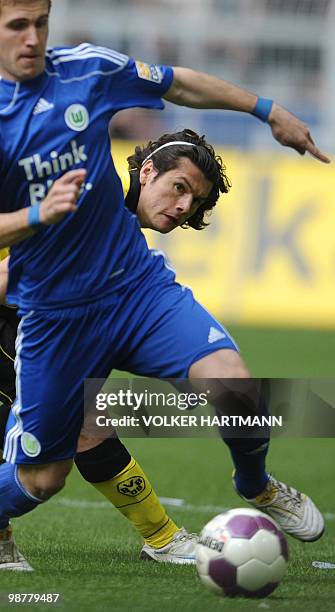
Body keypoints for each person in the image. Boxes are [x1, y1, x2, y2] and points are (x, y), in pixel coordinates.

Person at [0, 0, 328, 572]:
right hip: (53, 315)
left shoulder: (87, 70)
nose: (33, 37)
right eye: (17, 26)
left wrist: (266, 108)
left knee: (237, 388)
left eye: (41, 23)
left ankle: (258, 486)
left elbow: (180, 85)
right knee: (43, 477)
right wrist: (35, 218)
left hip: (136, 290)